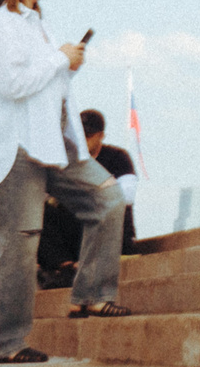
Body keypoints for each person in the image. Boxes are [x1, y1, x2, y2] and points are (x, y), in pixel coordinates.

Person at [0, 0, 128, 366]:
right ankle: (7, 345)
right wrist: (60, 58)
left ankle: (93, 296)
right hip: (18, 148)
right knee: (20, 243)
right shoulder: (0, 25)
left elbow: (43, 80)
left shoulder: (35, 25)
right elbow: (12, 84)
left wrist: (65, 65)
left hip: (56, 145)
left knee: (108, 199)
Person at [39, 111, 141, 276]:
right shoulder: (65, 161)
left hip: (109, 230)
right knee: (41, 211)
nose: (82, 139)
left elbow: (127, 196)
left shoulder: (117, 157)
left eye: (88, 135)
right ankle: (65, 265)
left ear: (101, 135)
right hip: (78, 229)